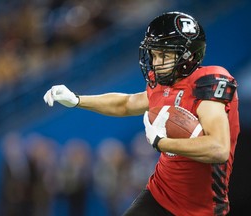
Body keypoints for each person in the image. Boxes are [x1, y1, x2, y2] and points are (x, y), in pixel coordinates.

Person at [43, 11, 240, 216]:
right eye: (154, 54)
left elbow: (218, 148)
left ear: (188, 55)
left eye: (163, 55)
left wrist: (162, 143)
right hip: (160, 193)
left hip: (202, 209)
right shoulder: (163, 83)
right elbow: (126, 103)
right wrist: (77, 100)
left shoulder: (208, 84)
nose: (155, 62)